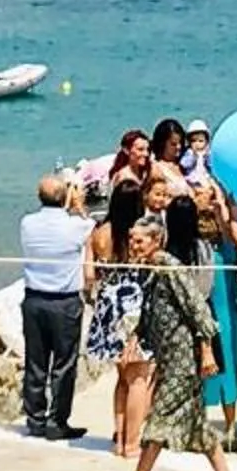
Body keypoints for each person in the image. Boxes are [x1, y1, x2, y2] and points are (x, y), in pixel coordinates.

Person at [114, 196, 237, 471]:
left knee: (159, 417)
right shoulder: (152, 270)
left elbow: (197, 307)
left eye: (139, 241)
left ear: (156, 241)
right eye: (132, 240)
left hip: (184, 358)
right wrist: (134, 338)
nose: (134, 246)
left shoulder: (170, 266)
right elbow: (151, 311)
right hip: (167, 356)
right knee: (196, 421)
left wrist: (207, 350)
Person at [18, 173, 91, 441]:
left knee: (35, 361)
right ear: (65, 197)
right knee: (64, 363)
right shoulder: (75, 226)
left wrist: (67, 200)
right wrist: (78, 205)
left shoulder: (27, 223)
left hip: (34, 298)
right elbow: (89, 224)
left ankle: (35, 418)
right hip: (63, 301)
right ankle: (57, 420)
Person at [85, 179, 153, 456]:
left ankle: (119, 438)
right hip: (132, 304)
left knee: (122, 377)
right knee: (138, 378)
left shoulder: (99, 232)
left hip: (108, 303)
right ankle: (132, 442)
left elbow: (89, 275)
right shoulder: (139, 235)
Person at [195, 183, 237, 442]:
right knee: (229, 370)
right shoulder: (227, 250)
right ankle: (231, 426)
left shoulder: (196, 250)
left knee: (201, 371)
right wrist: (221, 202)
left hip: (205, 313)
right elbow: (231, 228)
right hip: (227, 314)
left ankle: (202, 425)